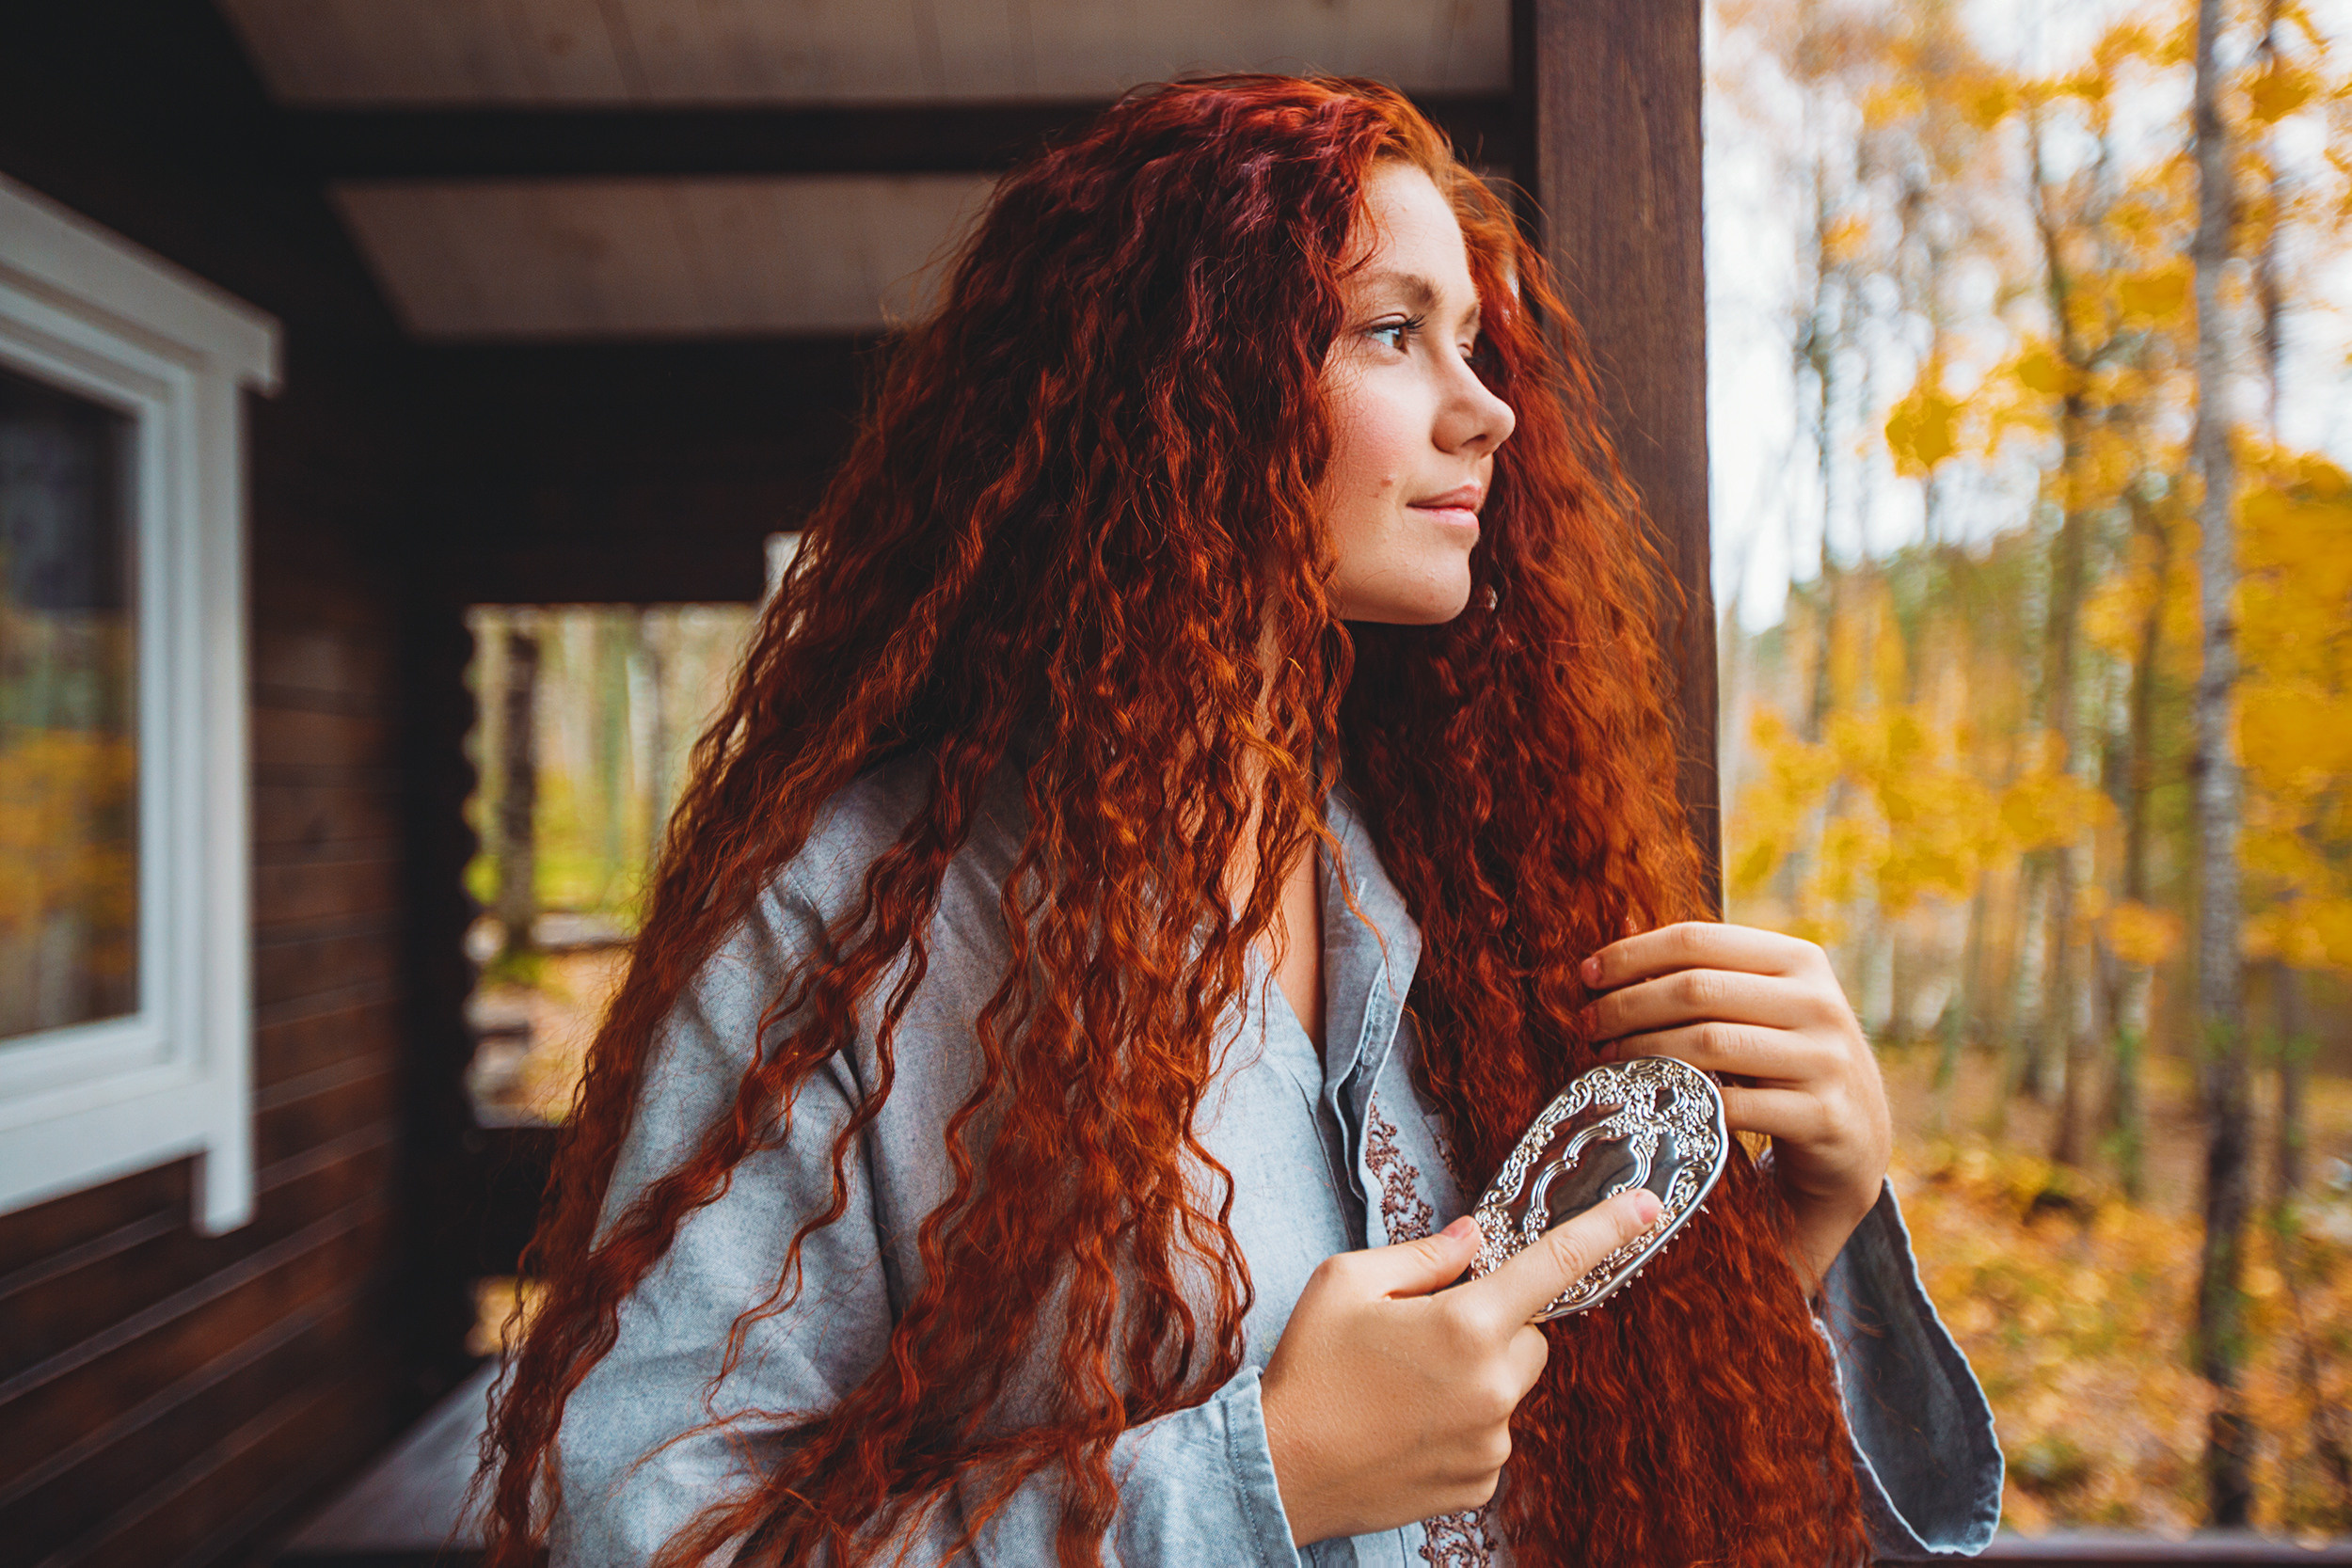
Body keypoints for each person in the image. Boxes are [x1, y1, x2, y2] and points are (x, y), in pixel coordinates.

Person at [479, 75, 2000, 1567]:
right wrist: (1248, 1482)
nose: (1487, 410)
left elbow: (1606, 1470)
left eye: (1475, 343)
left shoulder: (1482, 871)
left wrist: (1805, 1233)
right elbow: (634, 1533)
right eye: (1395, 332)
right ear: (1183, 381)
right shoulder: (855, 923)